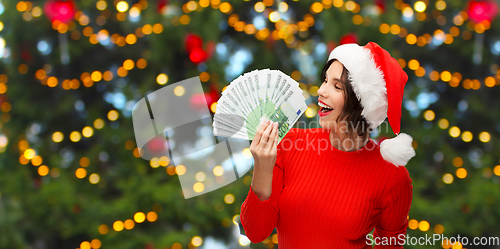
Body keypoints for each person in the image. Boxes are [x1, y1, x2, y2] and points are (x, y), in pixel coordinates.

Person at [239, 42, 416, 248]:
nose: (321, 91)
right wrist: (262, 166)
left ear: (362, 103)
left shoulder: (393, 177)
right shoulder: (290, 144)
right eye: (325, 80)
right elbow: (256, 232)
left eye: (336, 86)